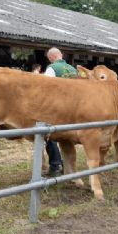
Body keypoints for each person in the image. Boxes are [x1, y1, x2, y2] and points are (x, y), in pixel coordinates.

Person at [43, 47, 78, 176]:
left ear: (51, 58)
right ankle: (67, 166)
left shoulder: (52, 69)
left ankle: (55, 165)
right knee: (67, 137)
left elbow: (45, 87)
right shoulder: (73, 69)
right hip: (72, 108)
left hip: (56, 108)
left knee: (49, 135)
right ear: (61, 55)